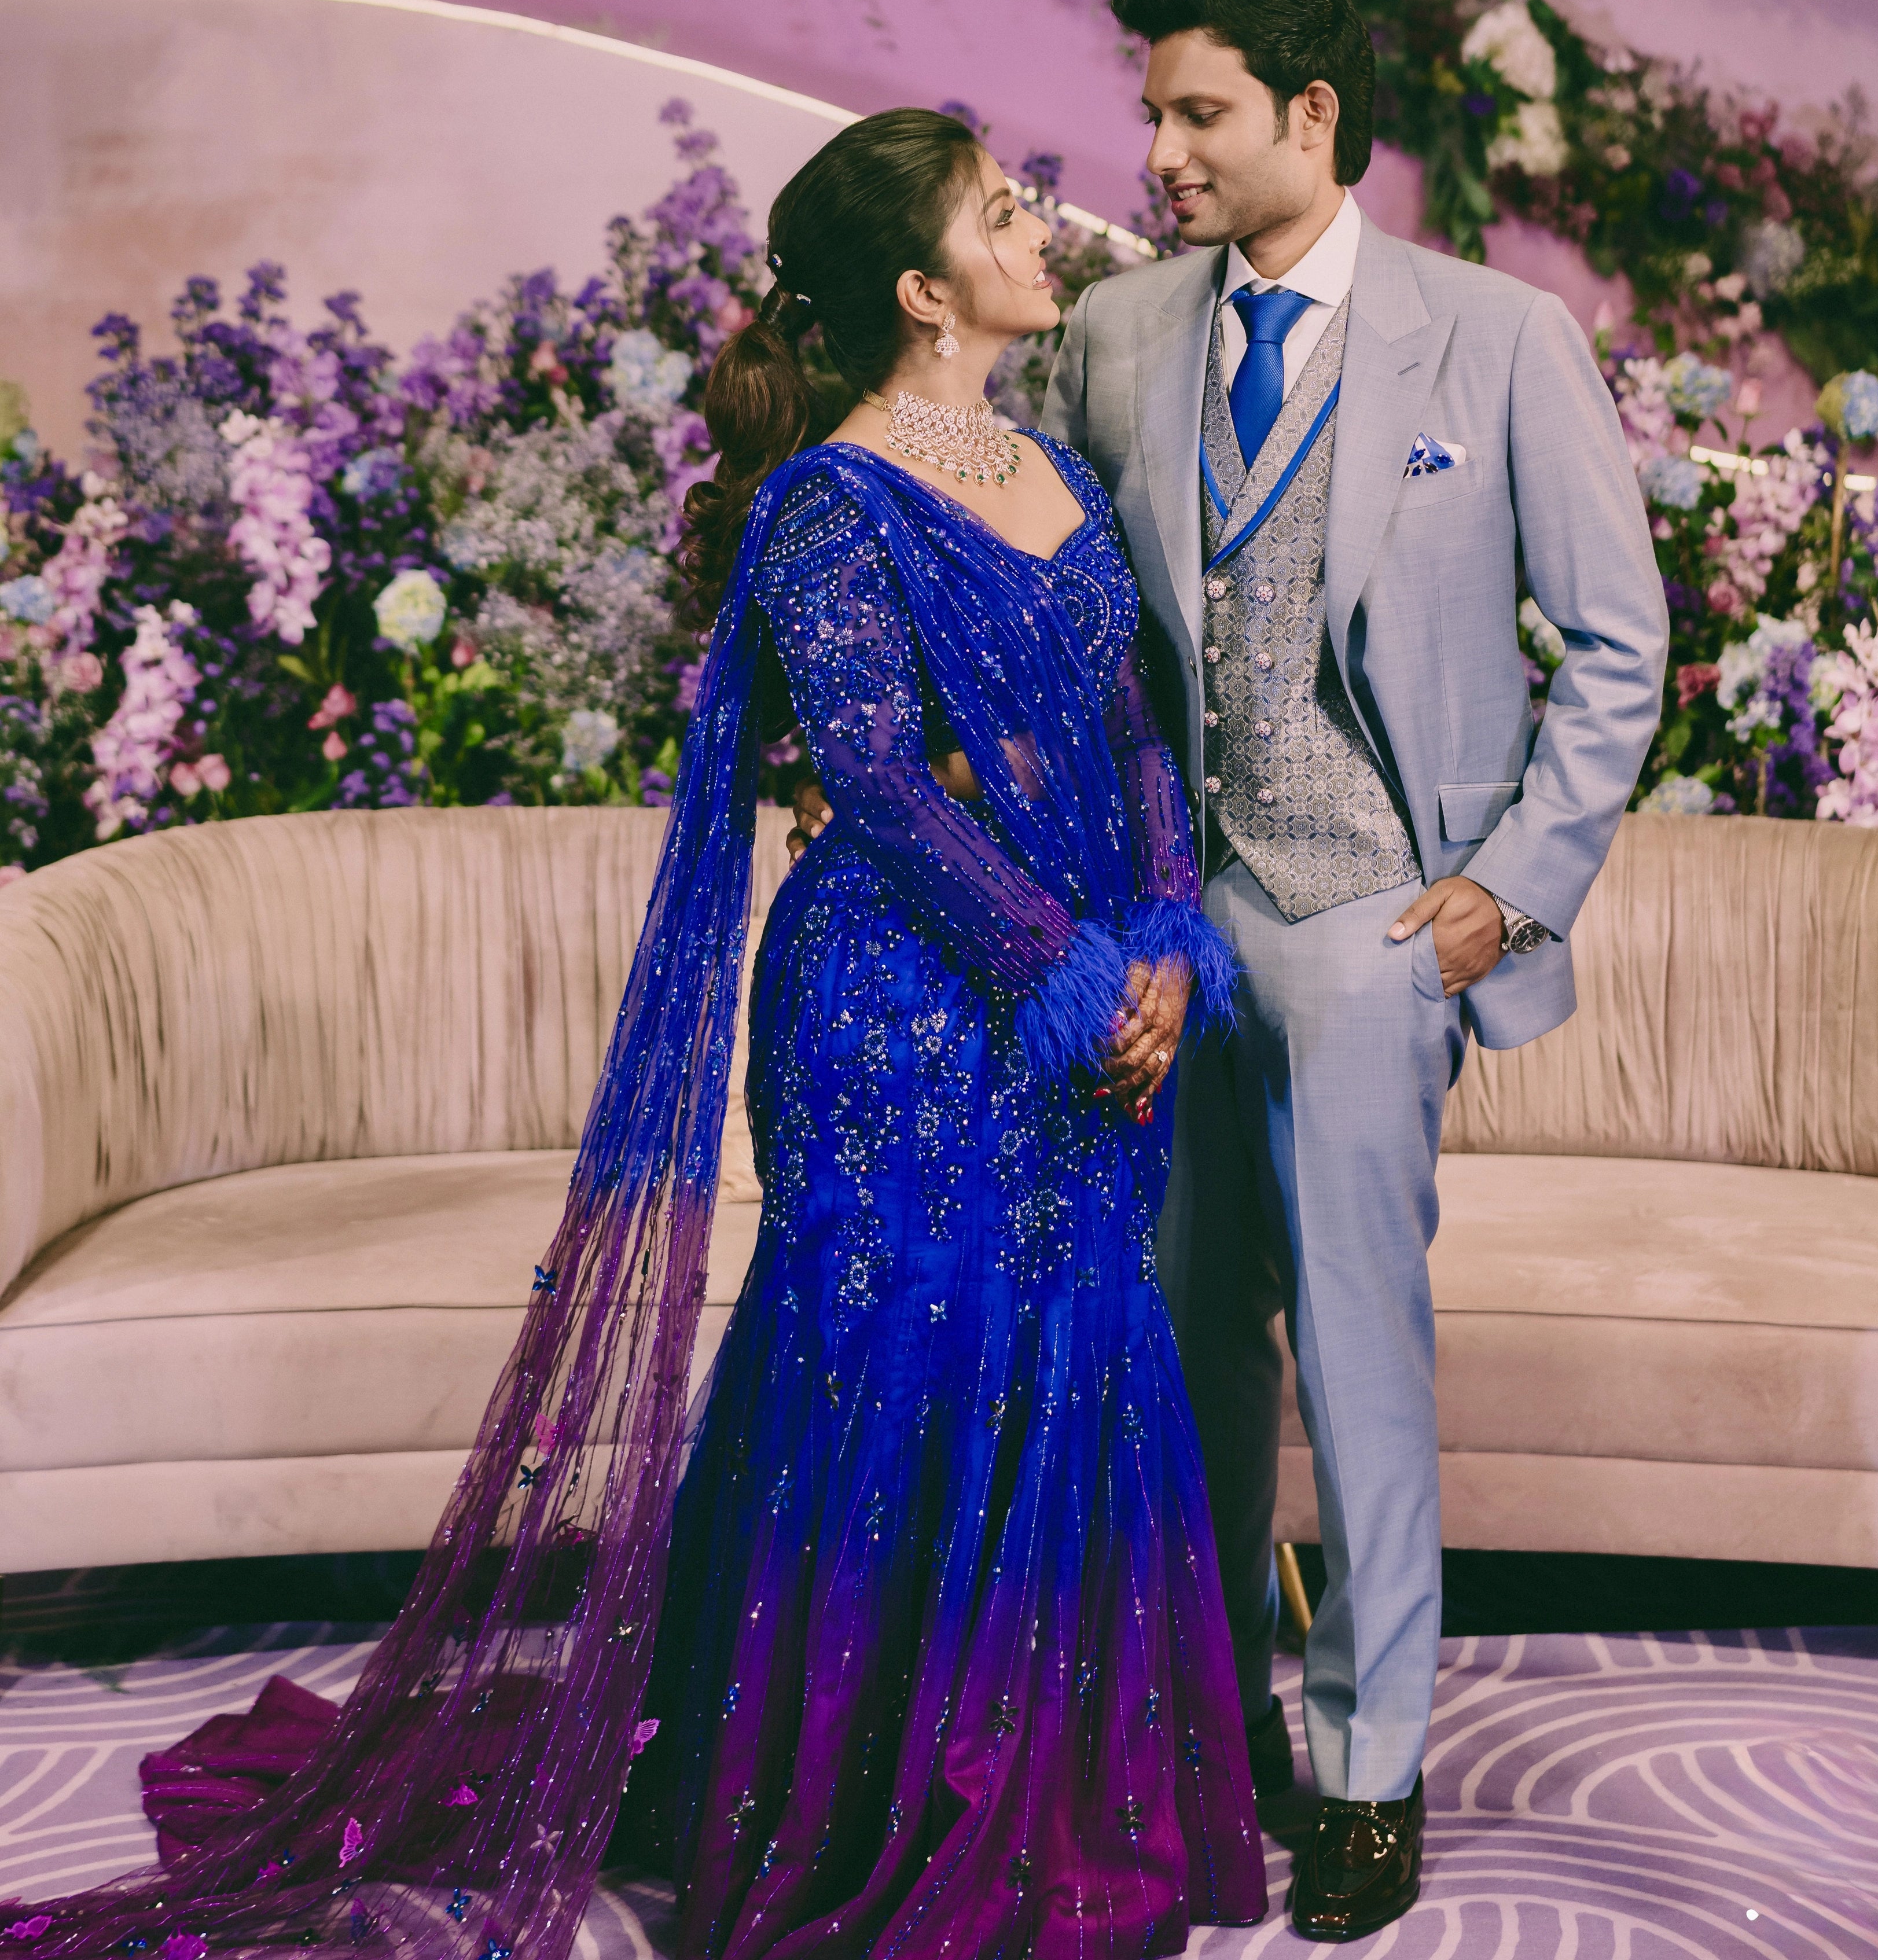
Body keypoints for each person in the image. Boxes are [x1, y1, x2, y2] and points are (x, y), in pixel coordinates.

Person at [2, 109, 1265, 1960]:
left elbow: (1139, 728)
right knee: (913, 1353)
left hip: (1081, 984)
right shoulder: (832, 502)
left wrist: (1165, 935)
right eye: (1001, 213)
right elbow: (875, 788)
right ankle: (861, 1797)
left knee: (1078, 1338)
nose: (1037, 227)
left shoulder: (1051, 462)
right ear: (927, 293)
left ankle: (1064, 1786)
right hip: (908, 1011)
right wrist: (1065, 975)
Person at [1038, 0, 1668, 1941]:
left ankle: (1371, 1770)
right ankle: (1200, 1728)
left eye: (1197, 116)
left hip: (1373, 914)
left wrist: (1511, 884)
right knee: (1176, 1332)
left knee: (1359, 1350)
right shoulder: (1122, 335)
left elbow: (1624, 648)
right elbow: (1088, 631)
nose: (1157, 155)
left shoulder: (1494, 340)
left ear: (1312, 118)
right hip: (1169, 917)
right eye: (1152, 115)